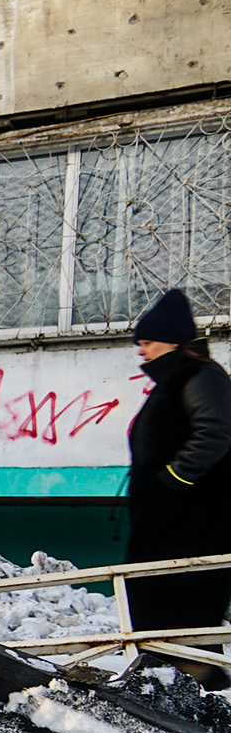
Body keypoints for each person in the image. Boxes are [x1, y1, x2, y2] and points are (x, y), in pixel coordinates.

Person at [123, 288, 231, 690]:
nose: (141, 350)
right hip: (167, 520)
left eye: (148, 341)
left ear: (172, 340)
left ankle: (198, 684)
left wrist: (172, 480)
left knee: (180, 604)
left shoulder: (201, 376)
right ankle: (176, 684)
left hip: (190, 522)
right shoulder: (177, 379)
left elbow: (215, 434)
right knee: (158, 602)